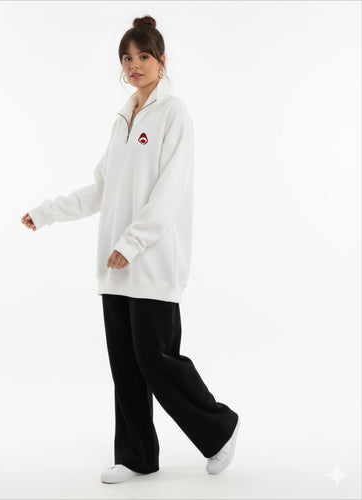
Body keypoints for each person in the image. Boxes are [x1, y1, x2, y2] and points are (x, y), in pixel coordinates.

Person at [21, 15, 240, 484]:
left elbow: (170, 190)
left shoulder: (174, 114)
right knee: (125, 364)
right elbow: (101, 190)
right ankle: (138, 455)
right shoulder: (123, 120)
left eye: (143, 56)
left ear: (162, 61)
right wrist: (46, 212)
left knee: (155, 358)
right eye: (127, 58)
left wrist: (134, 241)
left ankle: (219, 429)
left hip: (152, 262)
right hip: (114, 265)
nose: (134, 65)